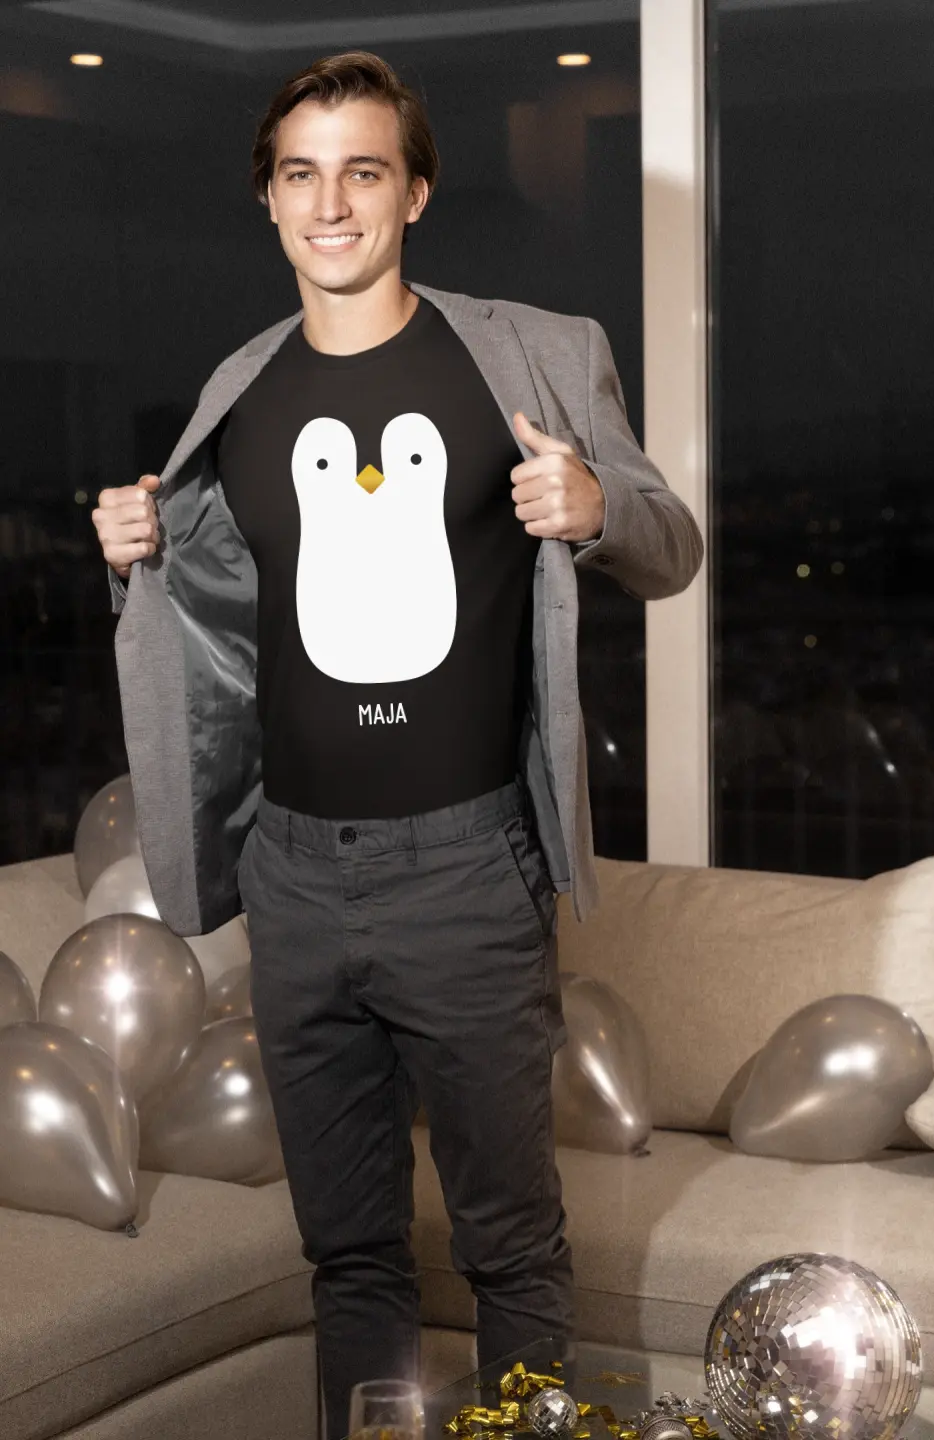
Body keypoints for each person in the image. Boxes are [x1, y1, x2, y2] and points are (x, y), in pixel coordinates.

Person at [92, 51, 702, 1440]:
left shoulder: (533, 354)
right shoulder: (239, 392)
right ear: (267, 198)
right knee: (350, 1254)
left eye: (363, 172)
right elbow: (214, 606)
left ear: (415, 192)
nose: (331, 204)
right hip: (295, 875)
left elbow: (671, 546)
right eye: (300, 175)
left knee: (510, 1247)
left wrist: (597, 505)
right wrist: (133, 551)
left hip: (470, 871)